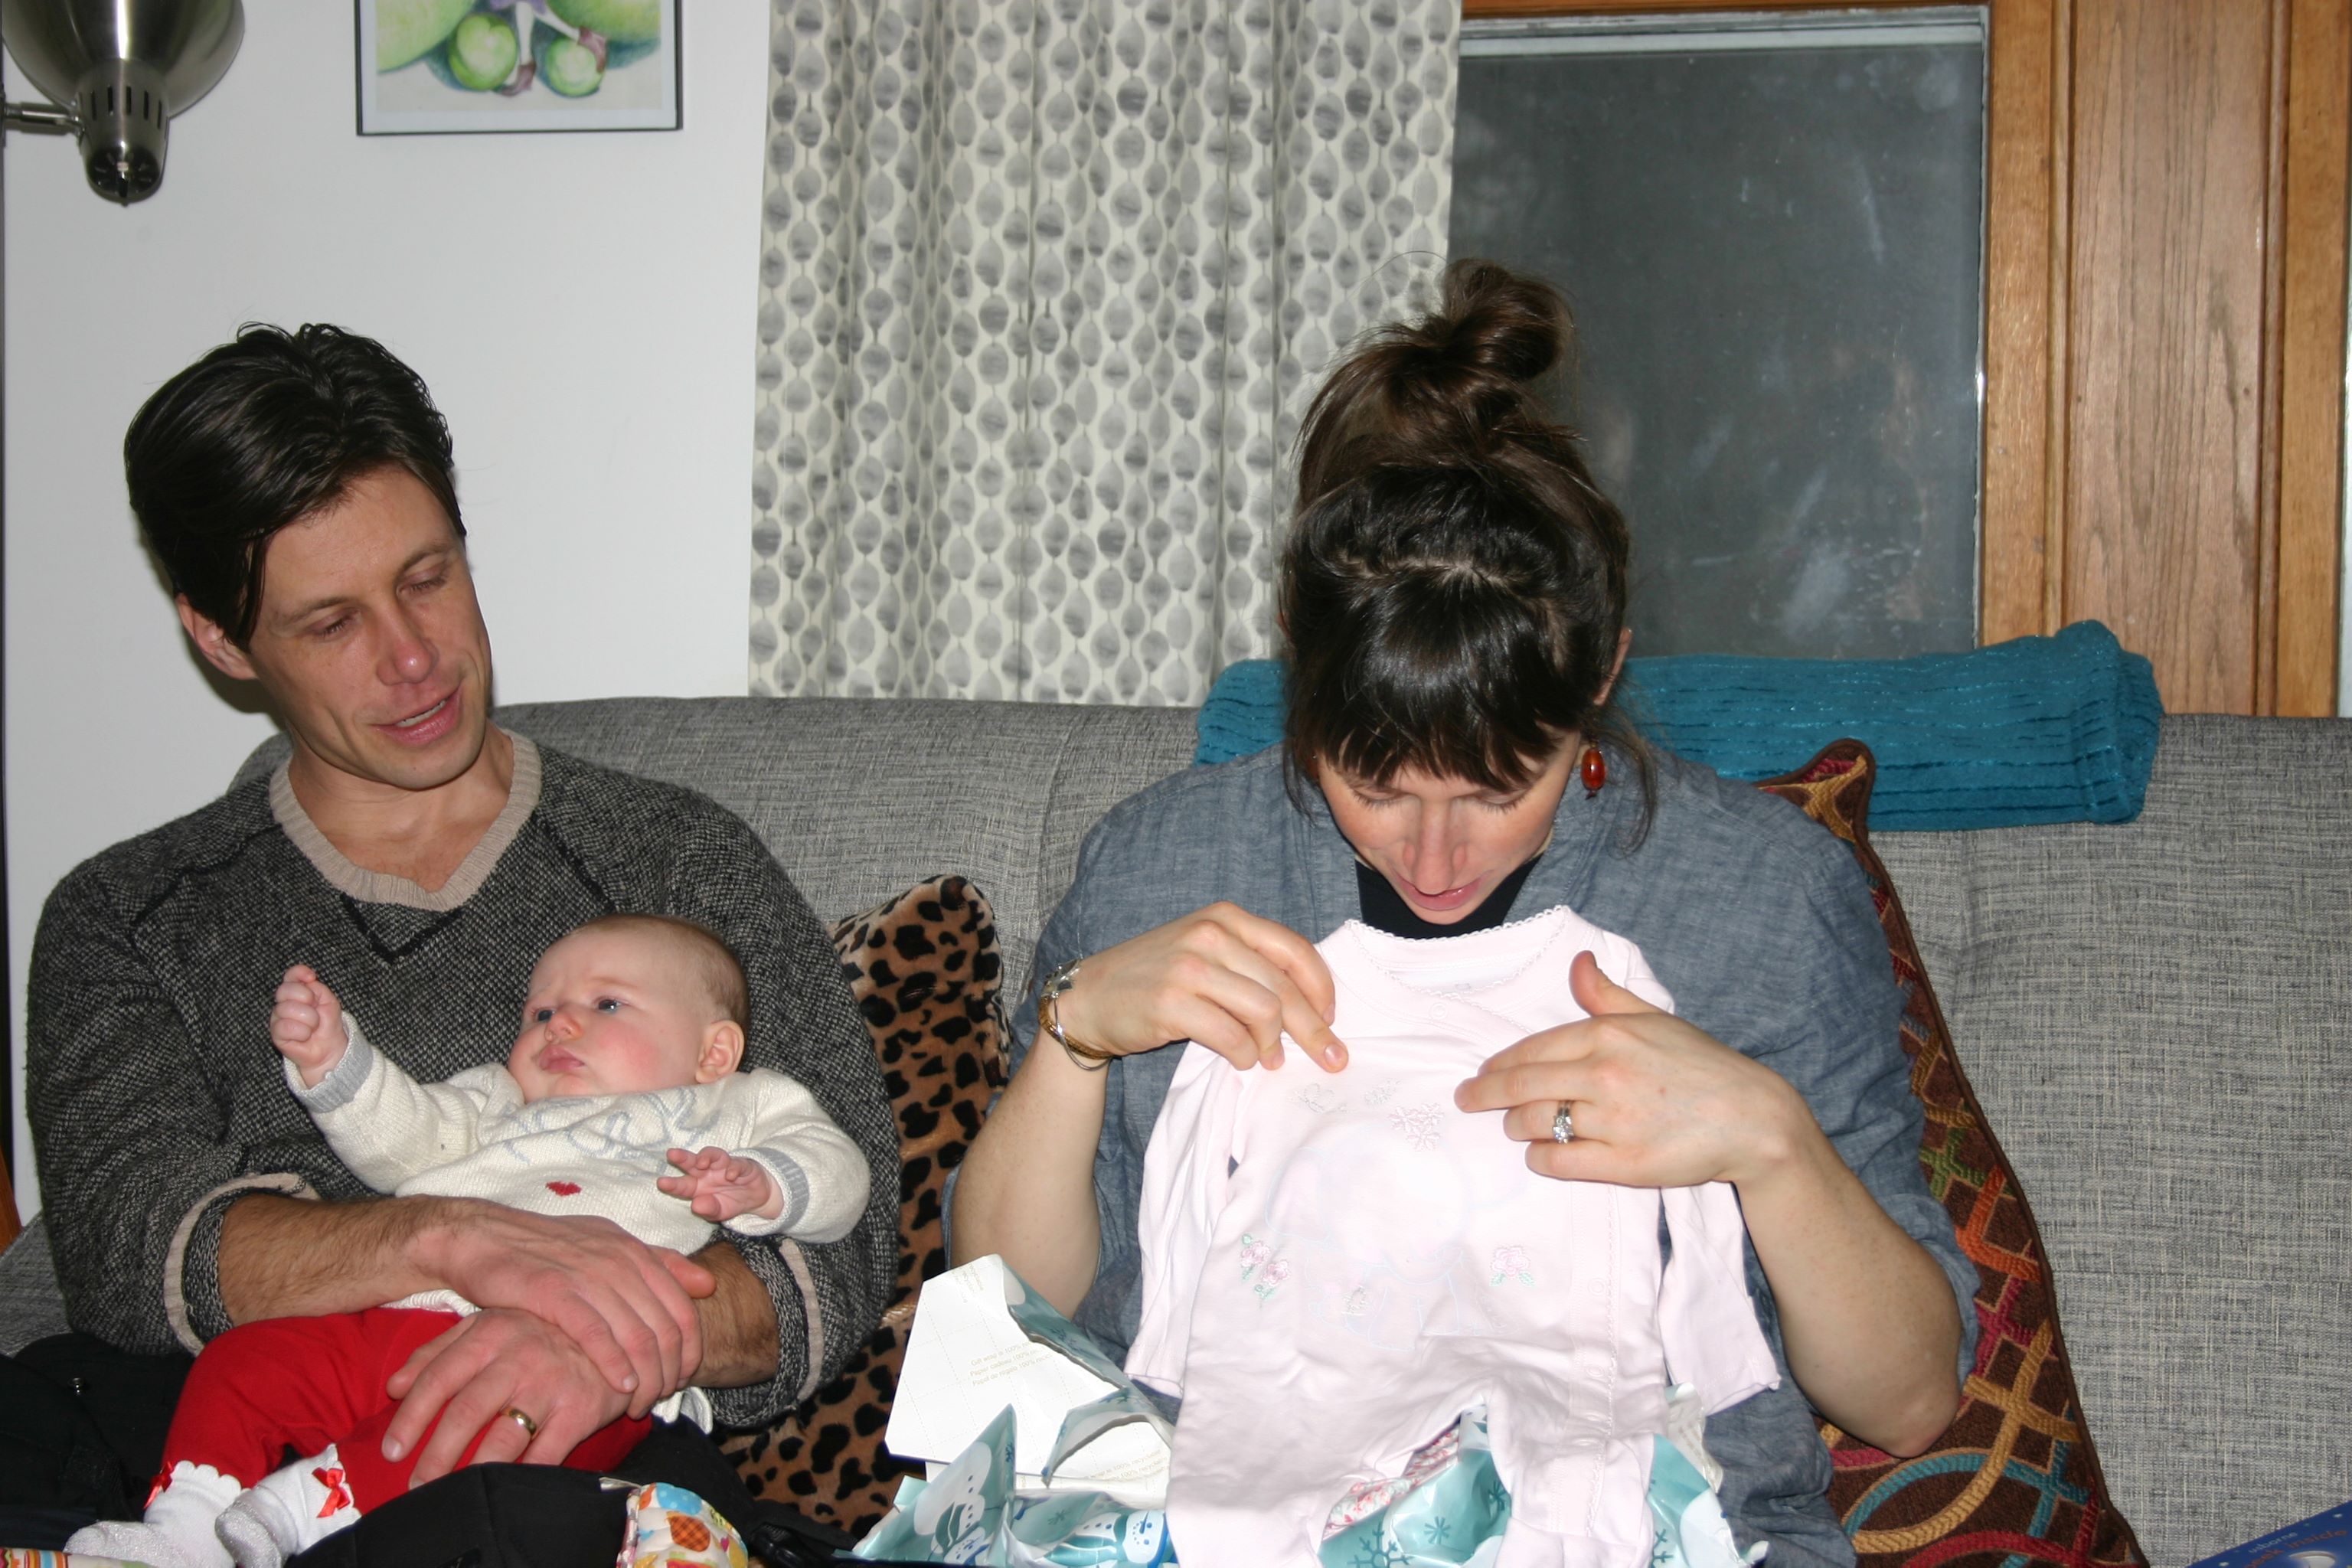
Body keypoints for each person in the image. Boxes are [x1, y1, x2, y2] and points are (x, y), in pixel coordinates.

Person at [949, 262, 1975, 1568]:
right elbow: (1014, 1326)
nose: (1434, 858)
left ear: (1599, 674)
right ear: (1300, 665)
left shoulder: (1761, 897)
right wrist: (1077, 1030)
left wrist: (1770, 1142)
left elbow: (1907, 1400)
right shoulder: (1165, 862)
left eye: (1499, 789)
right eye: (1373, 783)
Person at [24, 325, 897, 1514]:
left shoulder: (677, 860)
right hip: (228, 1452)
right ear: (221, 639)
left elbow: (847, 1230)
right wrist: (446, 1240)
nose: (413, 658)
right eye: (332, 623)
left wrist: (601, 1345)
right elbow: (127, 1246)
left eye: (428, 578)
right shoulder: (130, 917)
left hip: (591, 1471)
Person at [74, 913, 871, 1568]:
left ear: (713, 1052)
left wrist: (764, 1183)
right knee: (243, 1363)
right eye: (540, 1012)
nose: (560, 1021)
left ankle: (293, 1510)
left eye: (607, 1004)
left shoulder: (736, 1105)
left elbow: (839, 1171)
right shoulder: (499, 1098)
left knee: (488, 1442)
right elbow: (405, 1137)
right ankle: (186, 1526)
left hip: (584, 1365)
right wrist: (336, 1063)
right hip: (396, 1318)